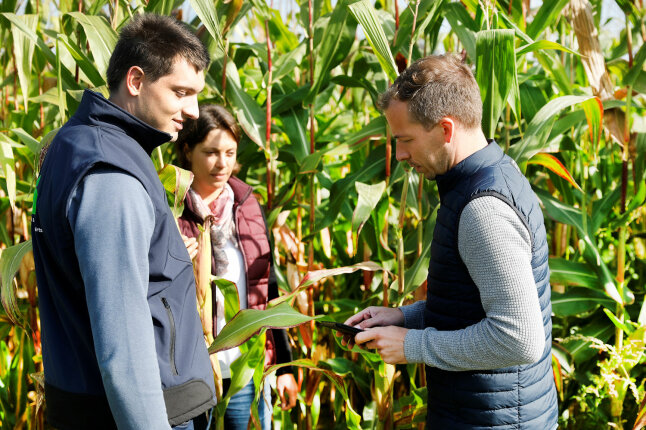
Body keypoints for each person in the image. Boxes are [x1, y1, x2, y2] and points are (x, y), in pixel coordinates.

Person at [343, 54, 558, 429]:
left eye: (406, 140)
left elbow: (519, 338)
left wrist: (412, 345)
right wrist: (403, 316)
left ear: (445, 129)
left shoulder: (483, 210)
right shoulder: (486, 178)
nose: (401, 155)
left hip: (496, 420)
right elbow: (474, 307)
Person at [31, 14, 215, 430]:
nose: (193, 111)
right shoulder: (111, 173)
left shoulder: (77, 143)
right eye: (181, 92)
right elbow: (125, 351)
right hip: (139, 414)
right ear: (136, 81)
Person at [175, 104, 299, 429]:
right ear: (187, 151)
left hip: (247, 367)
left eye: (230, 152)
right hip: (190, 373)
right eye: (211, 152)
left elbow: (267, 291)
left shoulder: (249, 207)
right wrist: (175, 263)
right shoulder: (169, 211)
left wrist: (285, 369)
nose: (223, 163)